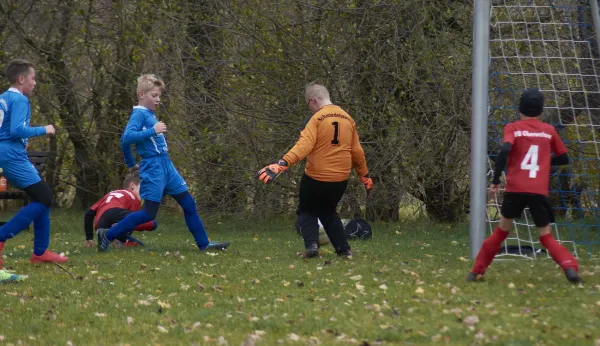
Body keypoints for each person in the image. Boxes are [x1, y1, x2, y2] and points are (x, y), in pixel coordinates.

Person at [96, 74, 229, 252]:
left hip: (167, 166)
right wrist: (152, 131)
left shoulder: (149, 114)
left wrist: (130, 164)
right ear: (141, 95)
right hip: (153, 168)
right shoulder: (139, 114)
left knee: (189, 204)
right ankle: (108, 235)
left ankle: (204, 244)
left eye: (159, 96)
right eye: (154, 96)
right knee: (148, 214)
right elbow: (126, 138)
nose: (158, 100)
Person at [467, 88, 582, 284]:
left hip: (516, 189)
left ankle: (476, 271)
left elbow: (505, 150)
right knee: (545, 237)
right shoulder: (549, 130)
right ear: (541, 111)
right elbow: (563, 158)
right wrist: (544, 162)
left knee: (501, 231)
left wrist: (495, 180)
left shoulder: (513, 128)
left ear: (520, 108)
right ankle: (569, 266)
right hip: (538, 190)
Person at [258, 82, 373, 258]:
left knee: (306, 211)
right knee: (329, 212)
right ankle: (344, 250)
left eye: (308, 105)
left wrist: (282, 163)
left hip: (316, 177)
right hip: (340, 179)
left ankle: (312, 247)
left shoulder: (317, 119)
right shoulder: (348, 119)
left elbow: (304, 146)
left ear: (312, 101)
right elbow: (357, 152)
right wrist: (364, 175)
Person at [0, 59, 68, 282]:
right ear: (21, 80)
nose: (35, 83)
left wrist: (19, 142)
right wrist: (45, 129)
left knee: (42, 197)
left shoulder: (4, 97)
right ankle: (2, 236)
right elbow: (17, 129)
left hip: (8, 151)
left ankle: (40, 252)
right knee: (45, 196)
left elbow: (8, 130)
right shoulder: (20, 99)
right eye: (32, 78)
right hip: (11, 155)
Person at [84, 174, 157, 248]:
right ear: (132, 185)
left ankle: (112, 238)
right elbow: (132, 222)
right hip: (116, 213)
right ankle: (115, 235)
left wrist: (89, 238)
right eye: (143, 187)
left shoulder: (110, 194)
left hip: (100, 223)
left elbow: (89, 214)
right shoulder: (133, 197)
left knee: (139, 245)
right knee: (152, 223)